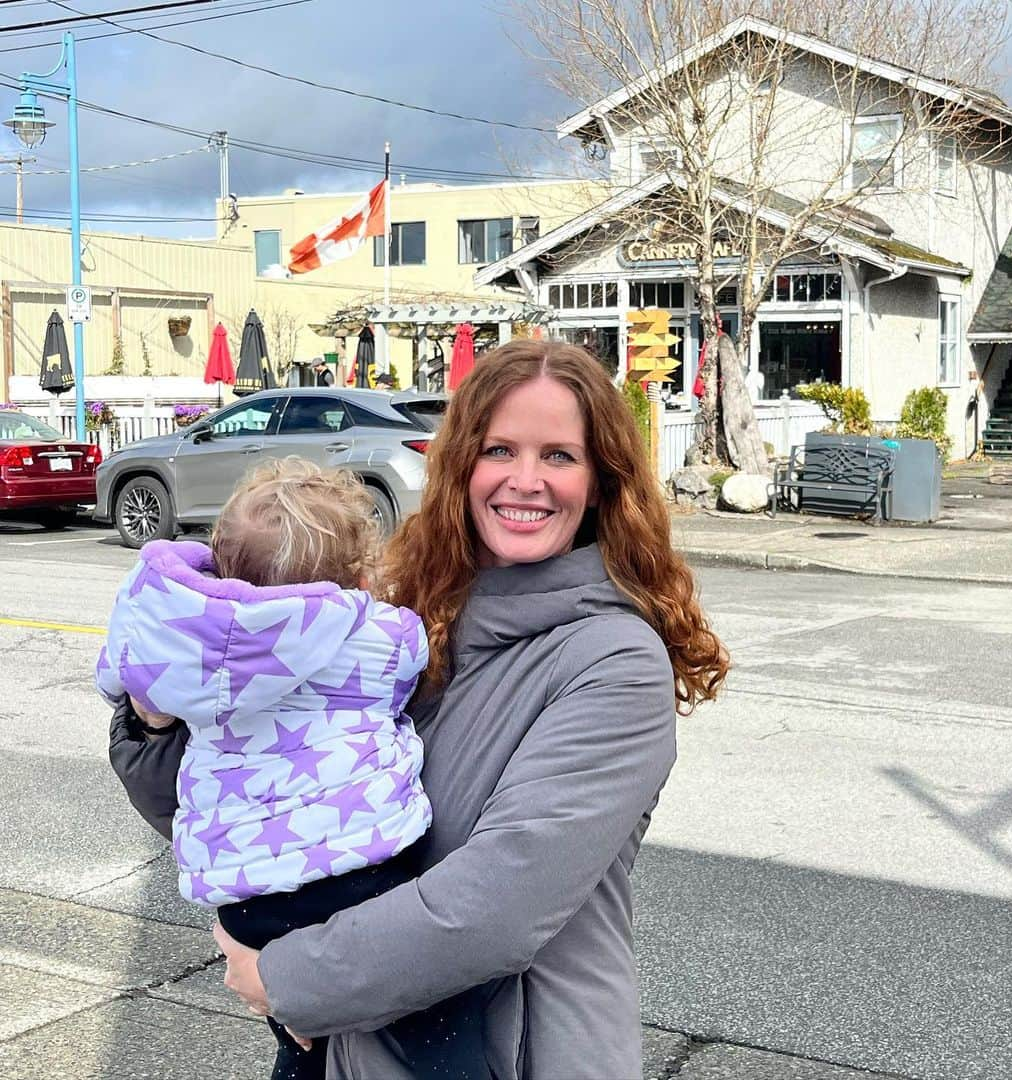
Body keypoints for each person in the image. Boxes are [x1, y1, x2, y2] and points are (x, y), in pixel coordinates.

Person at [110, 340, 729, 1079]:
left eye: (559, 456)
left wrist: (283, 980)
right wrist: (156, 719)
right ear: (461, 465)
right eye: (500, 449)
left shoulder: (612, 663)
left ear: (600, 483)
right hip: (345, 1043)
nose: (525, 480)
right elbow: (258, 805)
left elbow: (494, 909)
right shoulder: (395, 615)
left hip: (515, 1053)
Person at [98, 458, 486, 1080]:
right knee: (441, 1011)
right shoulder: (378, 632)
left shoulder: (185, 646)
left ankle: (295, 1018)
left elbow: (125, 679)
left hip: (243, 895)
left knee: (300, 1029)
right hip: (357, 867)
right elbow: (406, 676)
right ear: (358, 572)